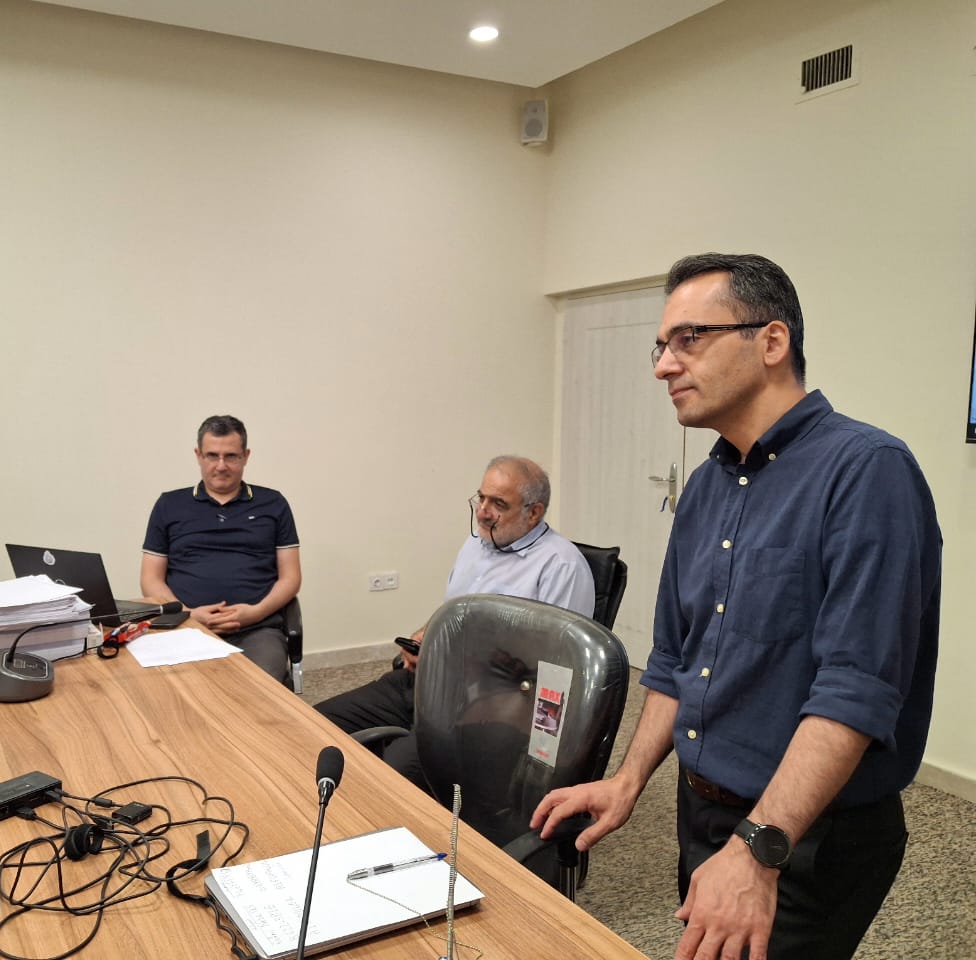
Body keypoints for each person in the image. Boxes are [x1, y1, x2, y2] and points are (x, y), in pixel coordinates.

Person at [531, 253, 942, 960]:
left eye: (689, 338)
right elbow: (674, 659)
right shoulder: (706, 485)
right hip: (705, 811)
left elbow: (855, 690)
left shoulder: (867, 471)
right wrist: (628, 781)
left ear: (772, 341)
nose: (664, 365)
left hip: (804, 835)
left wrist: (756, 851)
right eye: (661, 345)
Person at [315, 455, 595, 789]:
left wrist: (463, 660)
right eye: (481, 498)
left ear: (534, 512)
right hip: (433, 682)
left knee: (391, 777)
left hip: (494, 709)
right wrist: (428, 634)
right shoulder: (478, 543)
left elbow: (556, 671)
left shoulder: (561, 566)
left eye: (498, 504)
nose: (483, 511)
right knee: (315, 725)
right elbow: (454, 610)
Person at [141, 415, 301, 683]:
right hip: (186, 627)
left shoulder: (274, 503)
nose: (221, 465)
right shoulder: (169, 505)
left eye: (231, 456)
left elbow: (291, 577)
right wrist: (189, 615)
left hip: (257, 629)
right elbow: (150, 578)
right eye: (212, 455)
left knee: (261, 690)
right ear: (198, 455)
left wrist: (255, 613)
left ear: (246, 456)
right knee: (176, 689)